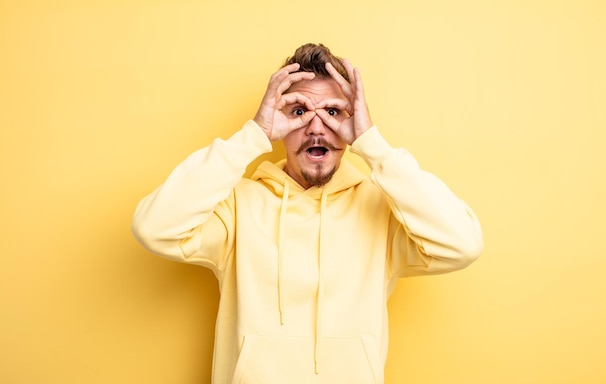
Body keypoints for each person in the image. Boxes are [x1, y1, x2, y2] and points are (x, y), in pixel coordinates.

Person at [132, 43, 483, 383]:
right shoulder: (237, 206)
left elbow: (462, 244)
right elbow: (154, 228)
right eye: (299, 112)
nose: (317, 128)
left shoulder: (381, 209)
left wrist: (372, 144)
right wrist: (252, 136)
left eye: (332, 112)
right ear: (278, 124)